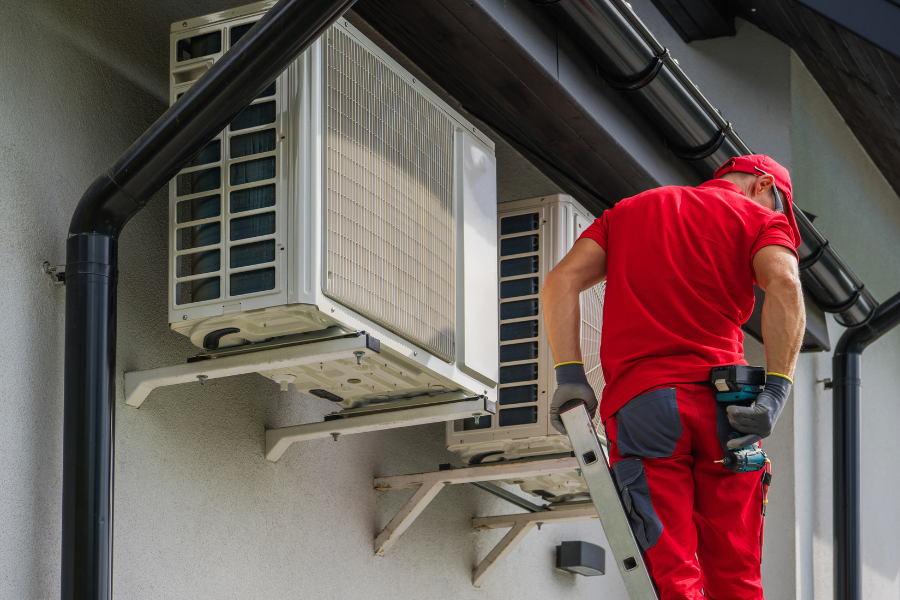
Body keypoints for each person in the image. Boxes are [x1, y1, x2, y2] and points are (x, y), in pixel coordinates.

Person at [541, 155, 805, 599]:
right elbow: (785, 284)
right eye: (778, 208)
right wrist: (777, 390)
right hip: (728, 410)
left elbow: (561, 280)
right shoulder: (759, 220)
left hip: (645, 406)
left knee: (674, 576)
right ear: (763, 186)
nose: (775, 216)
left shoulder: (626, 212)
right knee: (738, 576)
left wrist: (570, 375)